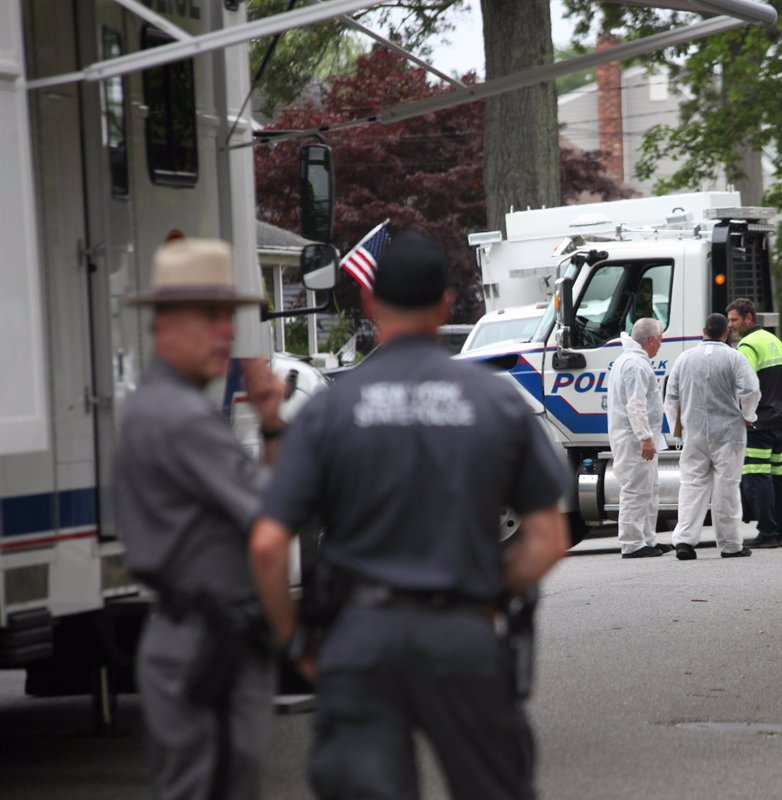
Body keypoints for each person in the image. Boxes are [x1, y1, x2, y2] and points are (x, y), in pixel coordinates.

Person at [248, 231, 570, 800]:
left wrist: (296, 646)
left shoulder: (329, 410)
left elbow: (270, 545)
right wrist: (487, 591)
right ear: (445, 304)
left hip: (360, 640)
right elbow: (548, 538)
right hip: (463, 637)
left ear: (370, 305)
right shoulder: (495, 403)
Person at [111, 238, 286, 800]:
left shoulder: (158, 407)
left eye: (229, 317)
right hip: (208, 643)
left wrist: (271, 425)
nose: (228, 333)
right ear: (166, 323)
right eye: (212, 317)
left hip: (198, 636)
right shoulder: (180, 418)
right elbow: (275, 514)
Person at [665, 313, 761, 560]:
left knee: (691, 486)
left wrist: (677, 428)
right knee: (727, 487)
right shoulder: (734, 357)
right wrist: (748, 415)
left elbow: (671, 397)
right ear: (725, 333)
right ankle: (730, 544)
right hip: (728, 434)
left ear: (703, 330)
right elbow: (751, 389)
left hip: (694, 433)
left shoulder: (684, 359)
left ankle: (684, 541)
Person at [726, 298, 782, 549]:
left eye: (734, 320)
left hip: (758, 422)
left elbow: (744, 384)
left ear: (749, 318)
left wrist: (745, 412)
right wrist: (781, 401)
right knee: (778, 475)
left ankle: (768, 532)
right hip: (778, 420)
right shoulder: (773, 340)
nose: (731, 325)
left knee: (756, 477)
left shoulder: (747, 344)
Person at [607, 317, 671, 558]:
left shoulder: (631, 361)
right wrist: (644, 436)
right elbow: (636, 404)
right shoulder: (635, 364)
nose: (661, 344)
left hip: (636, 437)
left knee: (649, 489)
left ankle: (646, 539)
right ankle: (632, 544)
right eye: (661, 340)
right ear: (651, 340)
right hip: (633, 439)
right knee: (635, 489)